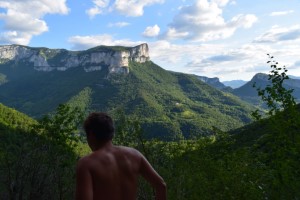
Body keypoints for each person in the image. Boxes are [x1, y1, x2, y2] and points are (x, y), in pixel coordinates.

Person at [75, 112, 167, 200]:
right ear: (111, 133)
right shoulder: (135, 155)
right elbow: (161, 185)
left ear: (91, 135)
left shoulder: (87, 163)